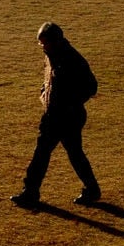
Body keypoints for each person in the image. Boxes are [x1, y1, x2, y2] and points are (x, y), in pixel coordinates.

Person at [11, 22, 101, 209]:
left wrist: (70, 104)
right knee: (69, 153)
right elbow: (49, 80)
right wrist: (44, 94)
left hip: (68, 116)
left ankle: (31, 192)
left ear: (56, 40)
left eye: (46, 43)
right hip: (53, 114)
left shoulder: (73, 59)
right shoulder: (51, 55)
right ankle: (91, 189)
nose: (43, 47)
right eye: (41, 44)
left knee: (45, 153)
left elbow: (91, 87)